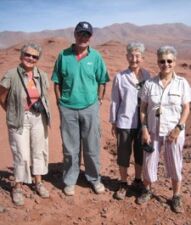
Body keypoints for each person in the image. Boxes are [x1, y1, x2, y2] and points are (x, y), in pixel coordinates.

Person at [51, 21, 109, 196]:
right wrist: (59, 102)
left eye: (86, 35)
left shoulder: (96, 57)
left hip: (90, 107)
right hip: (68, 108)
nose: (83, 37)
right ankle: (70, 180)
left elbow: (102, 81)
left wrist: (99, 99)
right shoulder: (63, 55)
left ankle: (94, 178)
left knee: (92, 146)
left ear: (90, 37)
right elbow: (56, 81)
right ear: (74, 34)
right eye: (80, 34)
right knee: (70, 148)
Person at [137, 46, 190, 213]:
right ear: (157, 62)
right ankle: (147, 190)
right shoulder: (149, 84)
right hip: (152, 130)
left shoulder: (182, 83)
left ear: (174, 62)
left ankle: (176, 196)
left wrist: (179, 128)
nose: (165, 64)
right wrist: (144, 129)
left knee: (175, 162)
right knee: (149, 162)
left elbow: (186, 108)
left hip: (173, 132)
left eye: (169, 61)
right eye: (162, 61)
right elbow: (143, 108)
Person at [0, 43, 50, 206]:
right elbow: (1, 95)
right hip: (19, 119)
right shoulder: (12, 74)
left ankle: (38, 182)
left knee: (38, 150)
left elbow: (45, 95)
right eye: (28, 55)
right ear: (21, 56)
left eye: (34, 56)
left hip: (38, 118)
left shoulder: (41, 75)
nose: (30, 58)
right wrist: (11, 110)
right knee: (21, 153)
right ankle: (18, 186)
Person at [110, 42, 150, 200]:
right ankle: (123, 183)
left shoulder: (147, 76)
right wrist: (113, 122)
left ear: (142, 58)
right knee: (123, 154)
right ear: (127, 57)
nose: (134, 59)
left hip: (143, 123)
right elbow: (115, 101)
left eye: (138, 56)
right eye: (131, 56)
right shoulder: (120, 77)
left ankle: (138, 181)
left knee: (140, 154)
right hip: (124, 122)